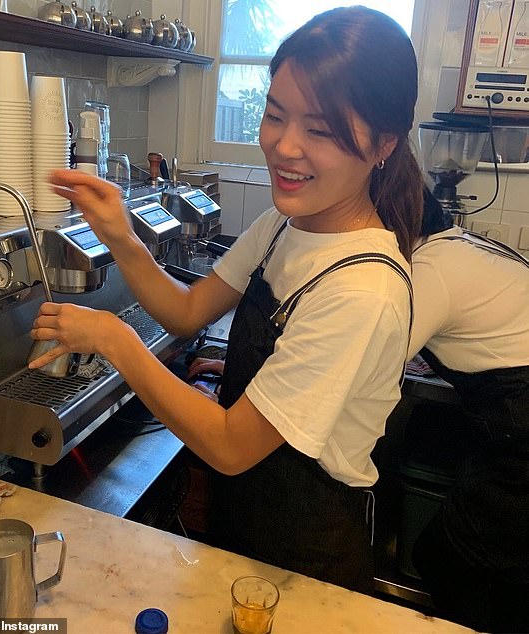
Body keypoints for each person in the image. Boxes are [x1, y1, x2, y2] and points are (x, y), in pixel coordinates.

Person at [29, 6, 422, 594]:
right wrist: (119, 235)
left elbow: (231, 446)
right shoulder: (286, 225)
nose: (285, 147)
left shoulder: (362, 289)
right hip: (245, 528)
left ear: (384, 143)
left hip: (305, 561)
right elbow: (188, 310)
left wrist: (114, 339)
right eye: (275, 115)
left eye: (319, 130)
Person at [408, 191, 529, 632]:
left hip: (521, 443)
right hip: (509, 431)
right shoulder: (459, 242)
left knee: (450, 559)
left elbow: (358, 366)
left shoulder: (427, 270)